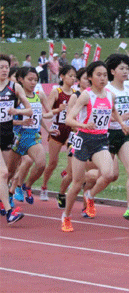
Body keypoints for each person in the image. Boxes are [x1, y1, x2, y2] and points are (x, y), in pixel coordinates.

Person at [62, 61, 129, 232]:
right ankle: (66, 216)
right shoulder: (85, 96)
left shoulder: (110, 95)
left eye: (104, 75)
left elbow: (113, 110)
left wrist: (121, 123)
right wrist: (83, 125)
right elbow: (68, 119)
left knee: (108, 174)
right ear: (90, 77)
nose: (102, 78)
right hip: (83, 140)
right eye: (98, 75)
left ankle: (89, 195)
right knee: (77, 183)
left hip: (100, 140)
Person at [7, 67, 56, 204]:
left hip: (33, 135)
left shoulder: (39, 95)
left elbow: (48, 114)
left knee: (41, 164)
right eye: (30, 79)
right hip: (18, 136)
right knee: (10, 172)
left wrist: (47, 127)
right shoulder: (16, 98)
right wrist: (21, 120)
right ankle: (8, 195)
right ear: (21, 80)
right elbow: (6, 120)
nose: (33, 82)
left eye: (36, 79)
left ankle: (26, 186)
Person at [104, 53, 129, 221]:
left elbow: (127, 114)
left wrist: (127, 125)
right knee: (109, 175)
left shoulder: (127, 89)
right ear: (112, 71)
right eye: (121, 68)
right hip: (107, 134)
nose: (126, 71)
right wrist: (119, 119)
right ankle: (87, 191)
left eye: (127, 68)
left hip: (124, 134)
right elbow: (102, 114)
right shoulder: (107, 90)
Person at [56, 67, 93, 210]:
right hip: (76, 138)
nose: (88, 81)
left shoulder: (94, 96)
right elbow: (68, 120)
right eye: (85, 79)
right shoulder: (75, 96)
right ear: (79, 81)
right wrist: (81, 127)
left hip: (93, 138)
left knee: (90, 175)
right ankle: (61, 193)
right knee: (72, 175)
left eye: (89, 78)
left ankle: (86, 205)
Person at [0, 54, 31, 224]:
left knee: (7, 174)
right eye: (1, 67)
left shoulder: (14, 87)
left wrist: (16, 111)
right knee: (3, 173)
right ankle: (10, 212)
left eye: (6, 67)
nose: (4, 70)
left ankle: (3, 200)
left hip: (6, 133)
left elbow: (29, 110)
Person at [40, 65, 77, 200]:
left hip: (70, 131)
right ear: (62, 76)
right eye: (70, 75)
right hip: (57, 130)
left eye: (74, 76)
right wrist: (58, 109)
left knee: (73, 159)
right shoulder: (57, 92)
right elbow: (47, 114)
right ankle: (44, 186)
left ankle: (65, 173)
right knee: (53, 163)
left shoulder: (75, 93)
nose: (73, 79)